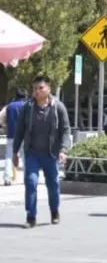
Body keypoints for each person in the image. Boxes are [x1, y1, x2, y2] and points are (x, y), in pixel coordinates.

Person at [12, 75, 72, 228]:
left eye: (40, 88)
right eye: (35, 88)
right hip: (32, 153)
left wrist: (63, 150)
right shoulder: (27, 108)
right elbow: (20, 131)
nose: (37, 91)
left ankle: (54, 211)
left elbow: (65, 130)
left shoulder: (58, 107)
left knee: (52, 184)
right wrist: (15, 152)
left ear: (48, 89)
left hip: (51, 154)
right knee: (31, 182)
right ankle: (30, 217)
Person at [1, 89, 27, 186]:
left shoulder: (9, 106)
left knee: (9, 156)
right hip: (24, 136)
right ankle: (26, 178)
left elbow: (1, 118)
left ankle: (7, 178)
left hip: (11, 135)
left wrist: (4, 126)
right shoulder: (27, 106)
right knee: (25, 156)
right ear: (24, 96)